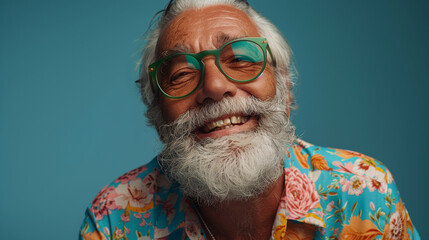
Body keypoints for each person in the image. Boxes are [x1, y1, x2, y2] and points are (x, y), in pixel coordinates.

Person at [79, 0, 420, 239]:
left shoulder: (364, 193)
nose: (214, 86)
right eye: (182, 73)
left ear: (284, 90)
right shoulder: (114, 220)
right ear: (156, 116)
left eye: (241, 58)